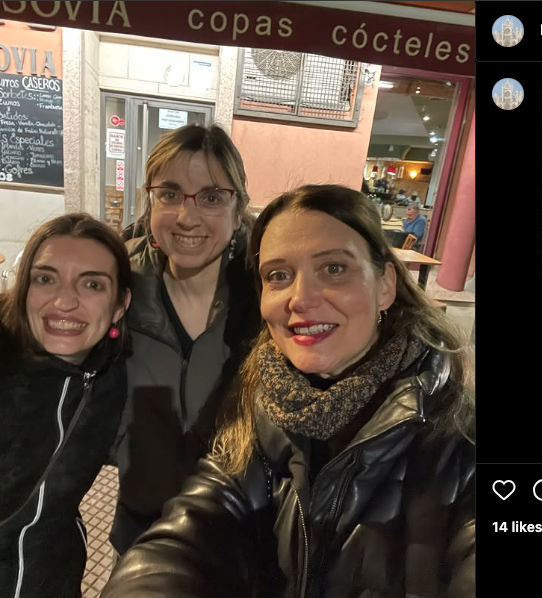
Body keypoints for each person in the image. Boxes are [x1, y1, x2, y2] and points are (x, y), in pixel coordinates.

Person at [102, 184, 475, 597]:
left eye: (334, 268)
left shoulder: (459, 433)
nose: (301, 298)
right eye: (278, 275)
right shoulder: (265, 405)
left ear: (385, 284)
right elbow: (195, 525)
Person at [109, 124, 262, 556]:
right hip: (140, 527)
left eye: (211, 197)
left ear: (238, 209)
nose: (186, 217)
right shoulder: (116, 286)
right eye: (170, 194)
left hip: (239, 535)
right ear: (150, 200)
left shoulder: (269, 300)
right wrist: (127, 449)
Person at [0, 214, 132, 597]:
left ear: (120, 304)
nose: (64, 301)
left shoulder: (110, 375)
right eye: (45, 278)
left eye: (92, 284)